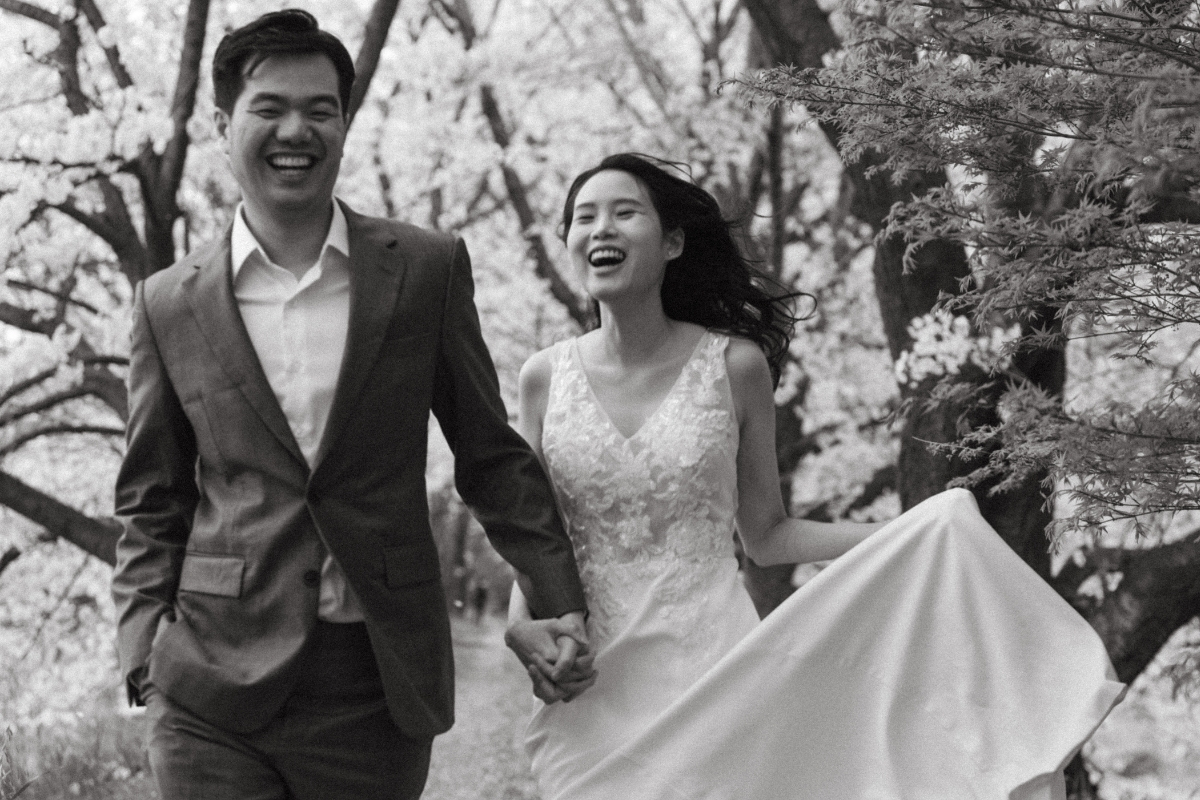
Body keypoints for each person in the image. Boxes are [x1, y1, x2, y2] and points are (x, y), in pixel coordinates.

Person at [504, 153, 1126, 800]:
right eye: (584, 217)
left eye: (624, 212)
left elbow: (768, 535)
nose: (600, 228)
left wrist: (909, 533)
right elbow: (534, 531)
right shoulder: (544, 378)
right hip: (589, 686)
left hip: (711, 672)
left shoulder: (735, 366)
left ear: (673, 242)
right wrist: (523, 625)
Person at [110, 10, 590, 800]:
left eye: (320, 108)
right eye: (270, 108)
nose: (296, 129)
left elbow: (490, 455)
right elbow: (150, 498)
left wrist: (559, 602)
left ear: (342, 122)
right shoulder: (167, 302)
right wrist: (141, 648)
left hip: (374, 678)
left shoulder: (425, 271)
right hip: (207, 680)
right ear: (224, 123)